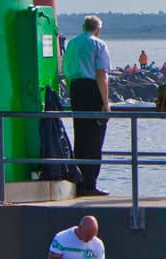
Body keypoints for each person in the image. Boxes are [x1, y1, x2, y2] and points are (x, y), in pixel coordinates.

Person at [63, 15, 112, 197]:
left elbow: (67, 71)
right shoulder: (98, 45)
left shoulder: (72, 44)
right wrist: (106, 103)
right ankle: (90, 182)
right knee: (94, 138)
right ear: (97, 29)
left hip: (76, 88)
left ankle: (80, 179)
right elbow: (101, 74)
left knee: (81, 135)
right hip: (92, 90)